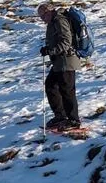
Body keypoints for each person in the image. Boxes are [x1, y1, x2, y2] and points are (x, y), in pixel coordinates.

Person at [37, 2, 82, 131]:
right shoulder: (53, 22)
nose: (42, 20)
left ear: (48, 12)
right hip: (59, 61)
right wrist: (48, 48)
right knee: (51, 85)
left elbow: (66, 41)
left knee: (67, 91)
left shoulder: (59, 20)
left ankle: (73, 120)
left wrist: (51, 51)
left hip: (67, 60)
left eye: (42, 16)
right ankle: (60, 116)